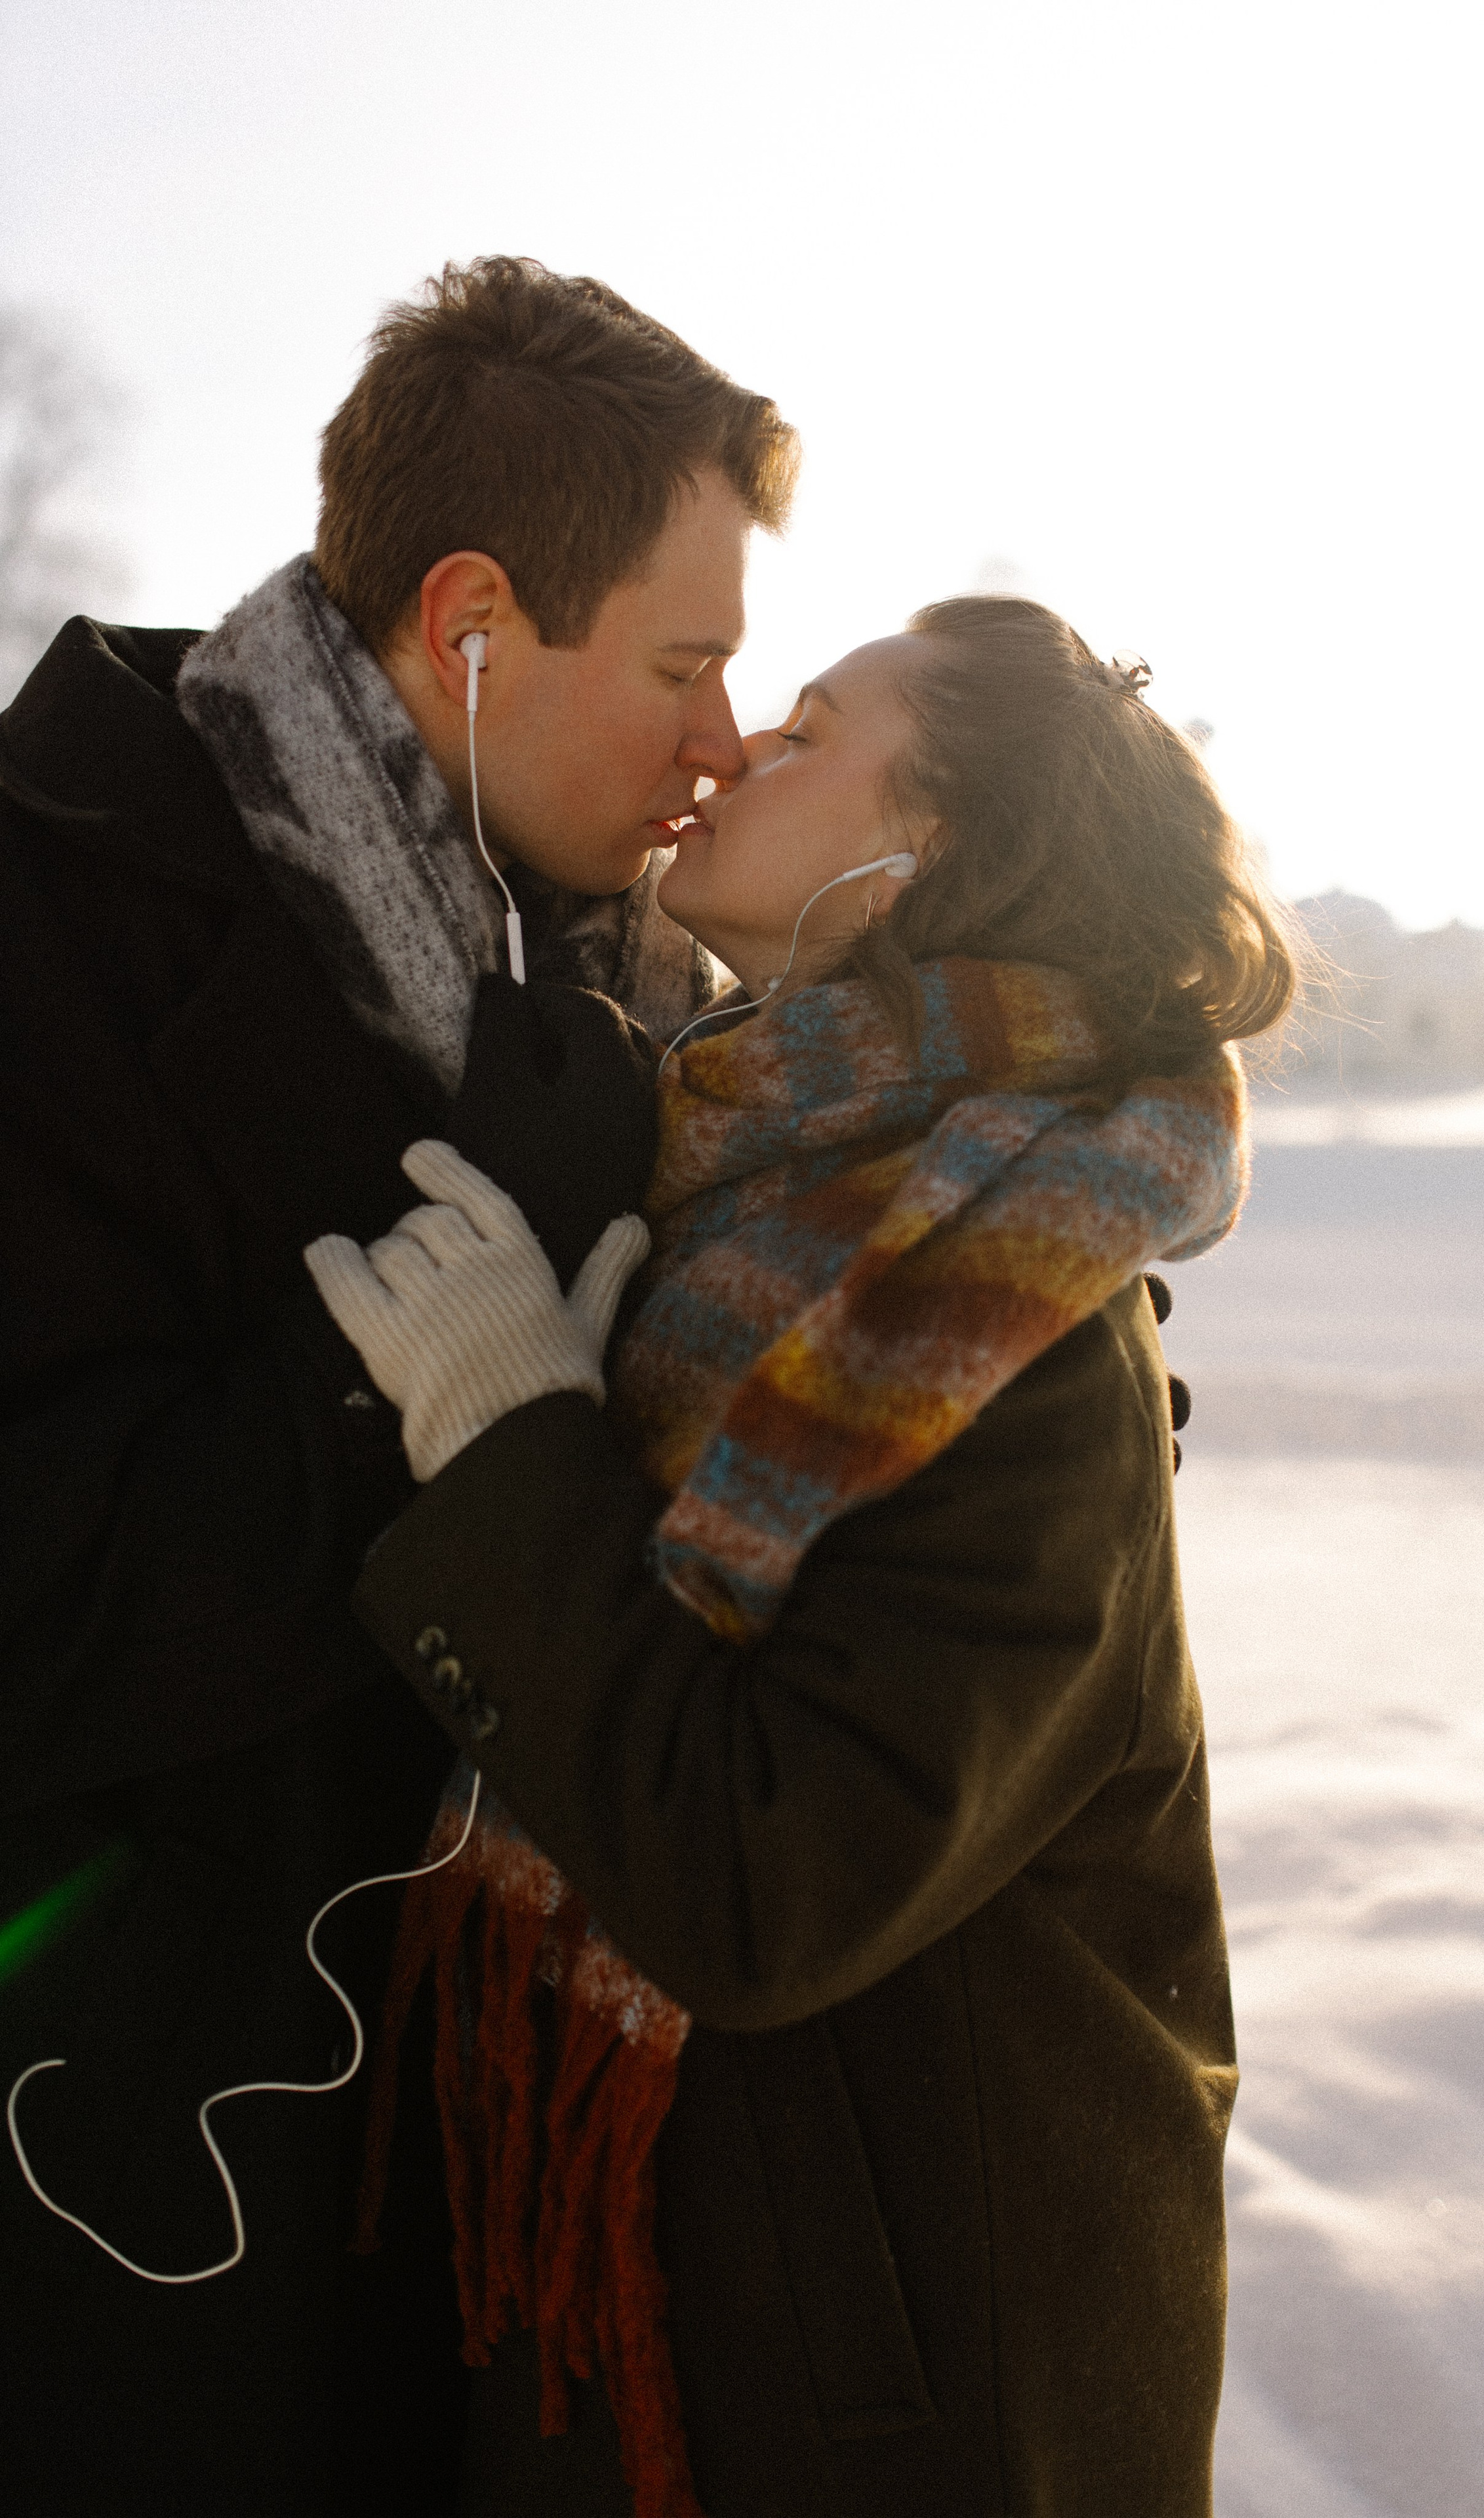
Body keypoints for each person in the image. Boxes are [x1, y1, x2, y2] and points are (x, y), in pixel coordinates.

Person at [306, 595, 1297, 2517]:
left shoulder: (1014, 1319)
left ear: (923, 852)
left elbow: (764, 1885)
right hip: (674, 2314)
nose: (737, 739)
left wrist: (518, 1448)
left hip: (893, 2403)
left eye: (813, 726)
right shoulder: (734, 1195)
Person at [0, 256, 795, 2516]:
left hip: (511, 2218)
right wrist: (423, 1345)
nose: (725, 742)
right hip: (143, 2213)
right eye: (684, 664)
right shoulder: (57, 912)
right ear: (467, 626)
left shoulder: (618, 979)